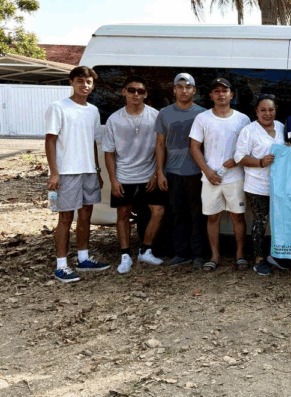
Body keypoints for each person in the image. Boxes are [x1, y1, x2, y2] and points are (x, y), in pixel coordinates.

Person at [45, 66, 110, 283]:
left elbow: (91, 141)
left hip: (88, 171)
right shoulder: (58, 107)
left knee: (86, 215)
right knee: (65, 218)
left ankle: (83, 258)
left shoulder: (92, 110)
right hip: (66, 172)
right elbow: (50, 140)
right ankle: (61, 265)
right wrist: (54, 173)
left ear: (93, 85)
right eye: (80, 81)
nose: (85, 85)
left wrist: (97, 170)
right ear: (71, 82)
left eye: (89, 82)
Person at [102, 76, 165, 273]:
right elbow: (109, 153)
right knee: (123, 214)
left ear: (145, 94)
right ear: (124, 92)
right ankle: (125, 255)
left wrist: (156, 174)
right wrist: (113, 179)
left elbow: (161, 148)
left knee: (158, 211)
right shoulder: (114, 119)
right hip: (124, 175)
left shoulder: (156, 116)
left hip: (149, 175)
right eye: (131, 90)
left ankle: (145, 250)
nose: (135, 94)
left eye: (140, 91)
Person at [189, 78, 250, 272]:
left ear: (232, 94)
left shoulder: (243, 119)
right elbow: (194, 147)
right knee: (212, 218)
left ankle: (240, 255)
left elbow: (249, 147)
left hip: (235, 177)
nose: (221, 94)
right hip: (210, 178)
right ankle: (214, 256)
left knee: (237, 217)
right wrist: (207, 172)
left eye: (225, 90)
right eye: (216, 91)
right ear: (211, 96)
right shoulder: (202, 118)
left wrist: (238, 160)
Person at [155, 73, 207, 268]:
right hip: (173, 173)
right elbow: (160, 145)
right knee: (177, 214)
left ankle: (198, 255)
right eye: (180, 87)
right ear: (174, 89)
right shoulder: (164, 113)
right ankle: (180, 253)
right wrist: (159, 172)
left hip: (196, 172)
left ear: (194, 90)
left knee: (197, 215)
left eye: (188, 87)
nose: (184, 90)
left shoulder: (203, 114)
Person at [235, 95, 285, 276]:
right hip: (257, 186)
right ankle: (258, 259)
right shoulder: (249, 131)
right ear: (256, 111)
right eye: (263, 110)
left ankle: (277, 256)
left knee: (279, 222)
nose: (267, 113)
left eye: (271, 110)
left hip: (279, 185)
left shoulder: (281, 127)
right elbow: (239, 158)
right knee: (260, 222)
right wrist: (260, 162)